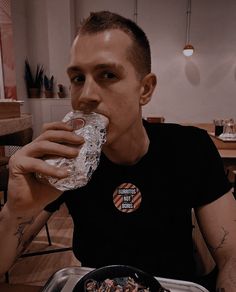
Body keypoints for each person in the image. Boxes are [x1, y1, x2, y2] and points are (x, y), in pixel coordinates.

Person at [0, 10, 236, 291]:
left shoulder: (190, 148)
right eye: (77, 78)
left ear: (145, 89)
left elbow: (231, 255)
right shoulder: (63, 159)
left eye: (108, 74)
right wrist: (14, 212)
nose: (86, 95)